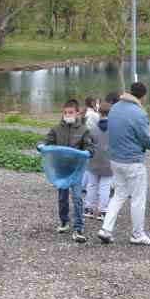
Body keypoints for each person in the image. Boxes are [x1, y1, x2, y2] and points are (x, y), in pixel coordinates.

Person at [98, 81, 150, 245]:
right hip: (133, 162)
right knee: (138, 198)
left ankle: (106, 229)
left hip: (115, 159)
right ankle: (137, 234)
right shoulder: (139, 113)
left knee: (119, 194)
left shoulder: (115, 108)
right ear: (143, 96)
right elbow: (145, 139)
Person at [43, 99, 92, 243]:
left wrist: (88, 152)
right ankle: (64, 221)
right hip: (61, 169)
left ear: (77, 113)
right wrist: (41, 146)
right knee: (62, 198)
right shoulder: (56, 129)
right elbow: (47, 142)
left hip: (76, 170)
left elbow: (90, 146)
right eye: (65, 112)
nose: (67, 115)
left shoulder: (83, 130)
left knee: (77, 197)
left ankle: (78, 227)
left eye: (70, 112)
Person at [83, 95, 114, 217]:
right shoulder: (114, 129)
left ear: (99, 113)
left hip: (94, 160)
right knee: (105, 187)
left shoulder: (92, 128)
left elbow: (88, 143)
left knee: (92, 185)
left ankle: (88, 208)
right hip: (108, 161)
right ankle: (103, 211)